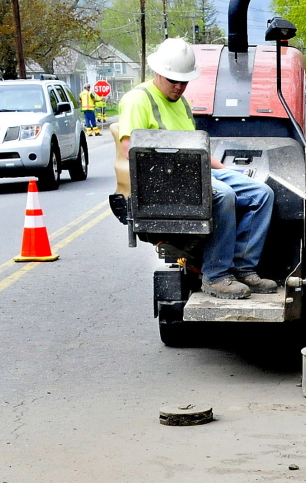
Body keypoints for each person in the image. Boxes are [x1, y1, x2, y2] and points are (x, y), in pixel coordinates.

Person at [117, 37, 276, 300]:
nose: (179, 87)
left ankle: (243, 268)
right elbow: (128, 149)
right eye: (173, 81)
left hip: (195, 173)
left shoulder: (181, 102)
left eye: (184, 81)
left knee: (261, 194)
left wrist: (226, 170)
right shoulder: (138, 99)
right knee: (224, 195)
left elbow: (197, 149)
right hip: (163, 179)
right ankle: (216, 276)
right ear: (158, 73)